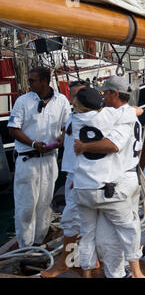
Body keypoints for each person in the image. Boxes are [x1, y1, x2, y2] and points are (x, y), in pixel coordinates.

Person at [71, 87, 145, 278]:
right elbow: (138, 111)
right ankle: (137, 273)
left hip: (81, 188)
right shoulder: (109, 117)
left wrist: (83, 146)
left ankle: (87, 274)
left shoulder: (74, 119)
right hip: (104, 188)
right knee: (128, 228)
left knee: (86, 234)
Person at [7, 66, 71, 248]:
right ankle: (25, 247)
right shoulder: (22, 101)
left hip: (50, 160)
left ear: (44, 81)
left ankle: (38, 242)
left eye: (33, 80)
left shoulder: (62, 101)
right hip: (28, 161)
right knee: (26, 207)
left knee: (44, 205)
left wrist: (62, 137)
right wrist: (33, 144)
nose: (29, 83)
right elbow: (13, 128)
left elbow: (68, 125)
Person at [40, 80, 88, 278]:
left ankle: (65, 263)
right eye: (73, 96)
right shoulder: (73, 116)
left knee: (70, 221)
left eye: (79, 96)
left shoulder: (88, 120)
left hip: (79, 177)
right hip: (71, 174)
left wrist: (82, 175)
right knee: (84, 221)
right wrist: (61, 139)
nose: (74, 100)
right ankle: (87, 261)